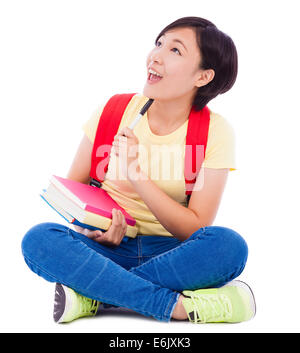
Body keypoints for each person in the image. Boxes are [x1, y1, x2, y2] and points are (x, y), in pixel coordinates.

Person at [21, 16, 256, 324]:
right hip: (106, 249)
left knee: (229, 246)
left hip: (171, 253)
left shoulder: (216, 132)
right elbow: (73, 194)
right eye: (159, 43)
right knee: (38, 239)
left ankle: (96, 296)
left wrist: (136, 174)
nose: (156, 55)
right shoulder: (114, 110)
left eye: (175, 50)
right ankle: (176, 307)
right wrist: (91, 229)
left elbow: (194, 229)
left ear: (203, 76)